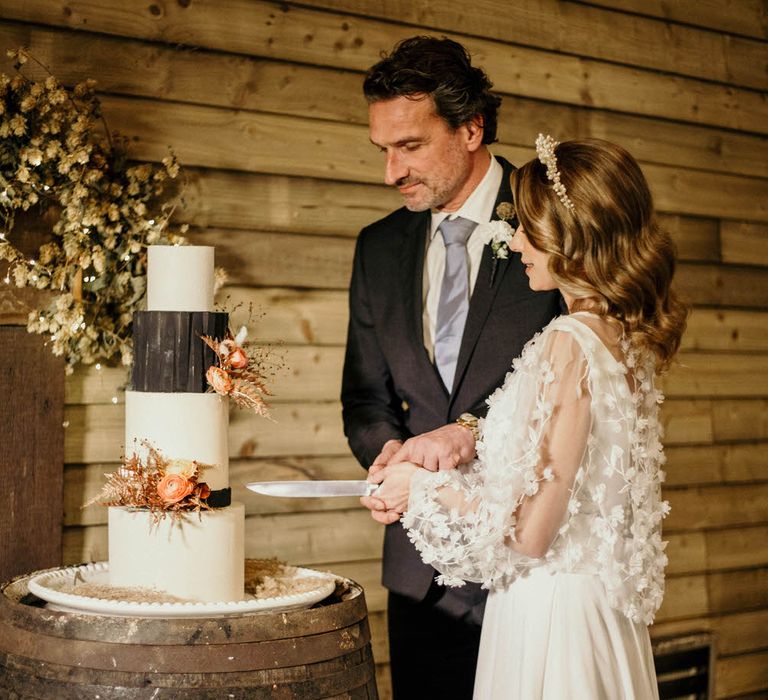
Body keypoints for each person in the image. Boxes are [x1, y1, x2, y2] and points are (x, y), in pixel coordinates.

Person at [365, 136, 689, 698]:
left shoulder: (568, 342)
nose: (515, 242)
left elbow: (530, 531)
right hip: (600, 610)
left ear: (570, 236)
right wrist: (453, 454)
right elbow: (555, 482)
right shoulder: (621, 341)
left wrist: (423, 486)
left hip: (551, 616)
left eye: (528, 228)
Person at [341, 37, 561, 699]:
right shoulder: (378, 248)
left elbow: (580, 380)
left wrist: (469, 435)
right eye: (382, 149)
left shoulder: (553, 220)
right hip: (419, 570)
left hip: (533, 557)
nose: (391, 172)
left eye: (408, 147)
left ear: (471, 129)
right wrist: (393, 459)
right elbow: (364, 396)